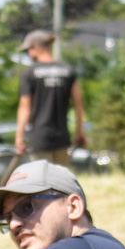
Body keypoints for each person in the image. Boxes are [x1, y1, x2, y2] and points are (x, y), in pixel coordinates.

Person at [14, 30, 86, 166]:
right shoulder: (68, 71)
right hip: (62, 138)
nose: (28, 54)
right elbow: (79, 105)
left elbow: (25, 107)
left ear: (36, 47)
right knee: (60, 183)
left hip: (39, 139)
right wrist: (80, 132)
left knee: (41, 183)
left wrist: (19, 137)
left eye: (28, 50)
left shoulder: (30, 73)